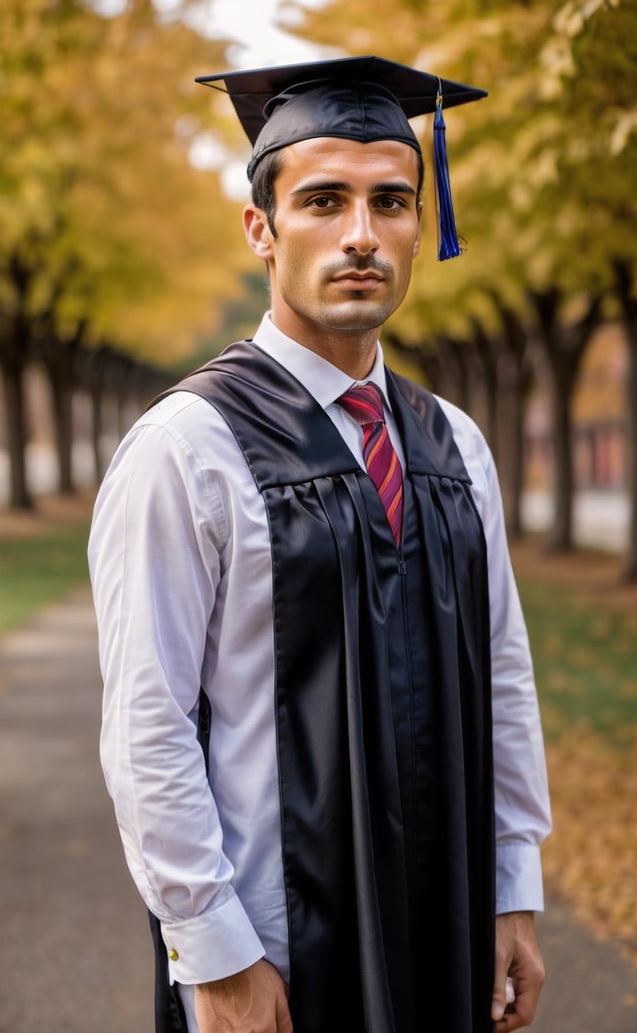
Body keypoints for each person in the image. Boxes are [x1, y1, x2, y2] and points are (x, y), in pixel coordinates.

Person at [88, 54, 551, 1033]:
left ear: (420, 227)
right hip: (278, 959)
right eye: (322, 200)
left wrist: (512, 888)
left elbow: (501, 676)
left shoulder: (453, 445)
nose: (360, 236)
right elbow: (147, 724)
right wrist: (212, 952)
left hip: (445, 933)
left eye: (391, 202)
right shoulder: (188, 446)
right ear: (260, 228)